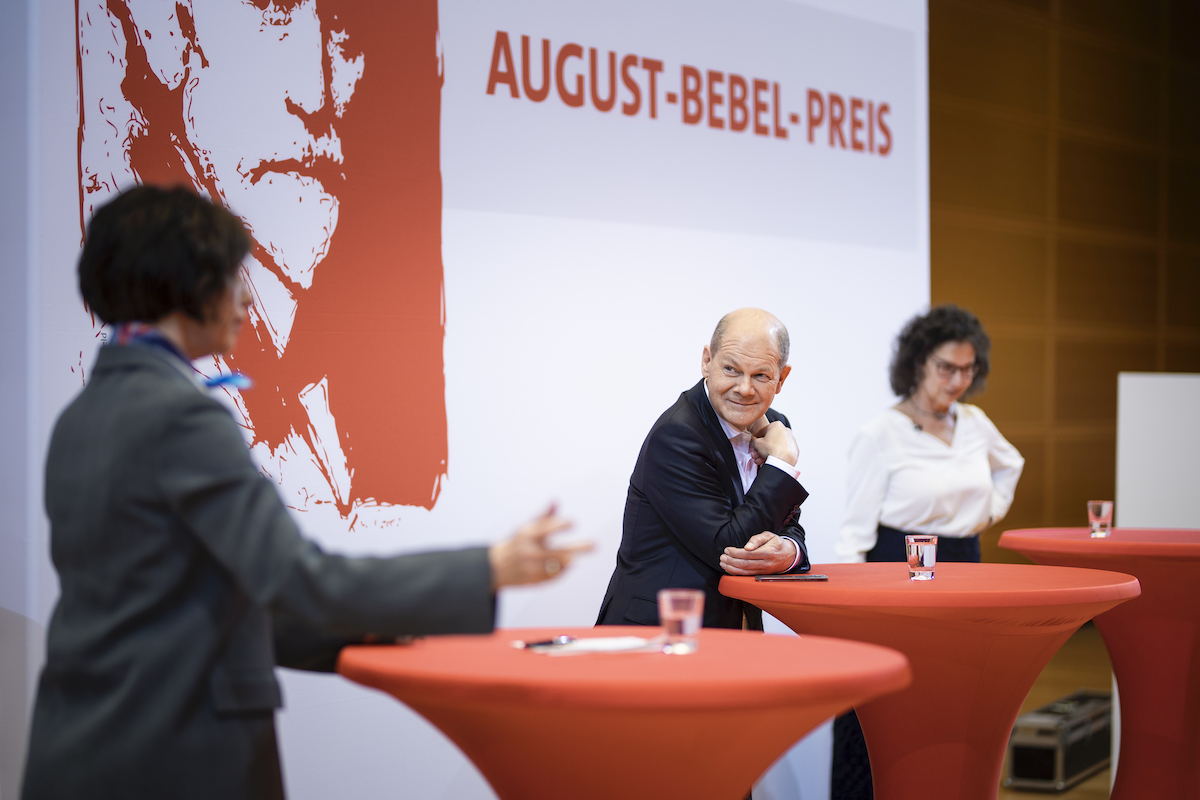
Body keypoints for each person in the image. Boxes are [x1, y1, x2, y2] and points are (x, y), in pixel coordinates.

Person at [21, 186, 587, 800]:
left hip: (81, 745)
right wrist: (486, 569)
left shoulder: (83, 414)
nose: (245, 299)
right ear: (189, 283)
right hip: (173, 755)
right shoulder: (181, 416)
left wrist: (373, 626)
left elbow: (183, 600)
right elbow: (297, 578)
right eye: (234, 277)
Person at [76, 0, 448, 520]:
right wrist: (486, 569)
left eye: (339, 29)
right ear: (167, 34)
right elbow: (293, 577)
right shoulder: (169, 419)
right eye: (275, 10)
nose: (322, 92)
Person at [831, 304, 1024, 799]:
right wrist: (848, 615)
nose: (958, 380)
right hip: (895, 571)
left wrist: (986, 514)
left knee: (955, 700)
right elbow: (853, 536)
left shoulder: (975, 422)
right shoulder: (881, 433)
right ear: (918, 364)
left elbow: (1011, 465)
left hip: (963, 566)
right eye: (947, 368)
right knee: (882, 707)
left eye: (968, 369)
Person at [597, 308, 811, 632]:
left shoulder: (776, 427)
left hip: (732, 632)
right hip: (656, 635)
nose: (744, 389)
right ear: (706, 361)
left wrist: (789, 552)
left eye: (761, 376)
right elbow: (728, 548)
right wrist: (782, 464)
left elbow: (788, 525)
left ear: (781, 378)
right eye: (731, 369)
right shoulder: (678, 435)